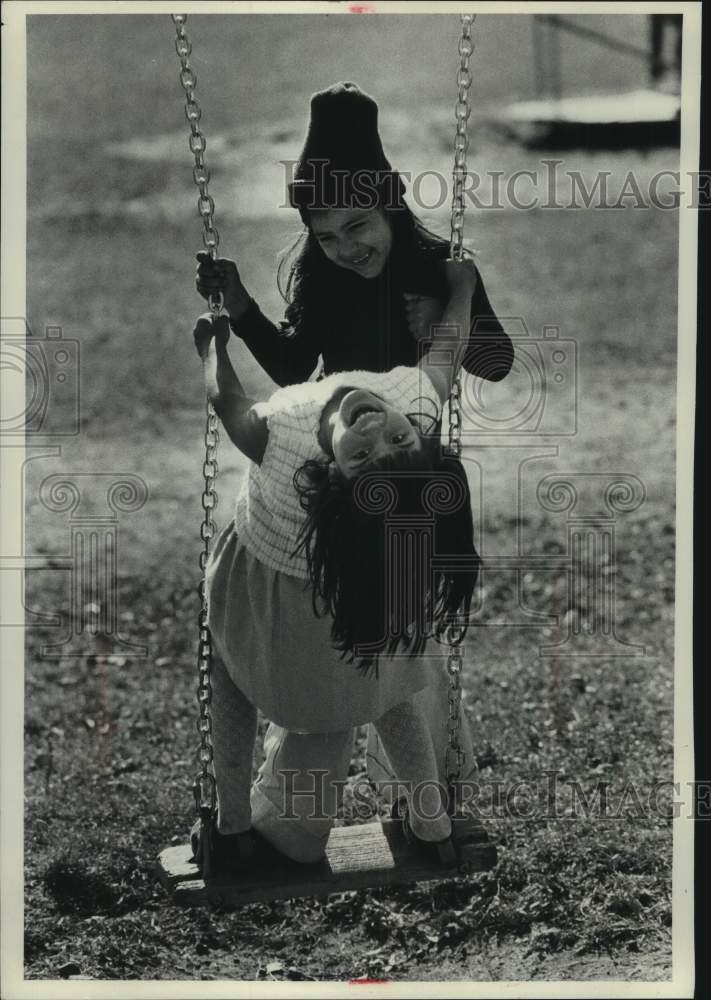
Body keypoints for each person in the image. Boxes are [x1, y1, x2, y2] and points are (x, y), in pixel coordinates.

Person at [195, 81, 513, 813]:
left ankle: (425, 798)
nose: (346, 248)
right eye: (327, 234)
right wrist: (241, 309)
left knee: (406, 640)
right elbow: (289, 371)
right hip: (336, 464)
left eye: (358, 225)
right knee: (342, 623)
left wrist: (443, 310)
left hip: (397, 459)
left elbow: (493, 361)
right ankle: (312, 756)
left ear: (390, 202)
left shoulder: (439, 265)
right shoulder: (321, 272)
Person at [191, 257, 481, 874]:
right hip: (354, 616)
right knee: (393, 683)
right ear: (422, 435)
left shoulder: (281, 435)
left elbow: (227, 397)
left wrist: (211, 348)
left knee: (228, 666)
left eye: (366, 457)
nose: (378, 433)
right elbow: (451, 344)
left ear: (334, 476)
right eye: (398, 445)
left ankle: (232, 825)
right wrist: (461, 285)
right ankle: (432, 827)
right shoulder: (415, 398)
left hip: (269, 609)